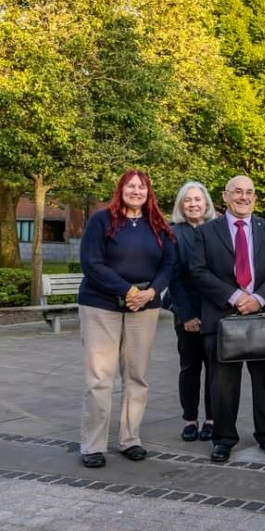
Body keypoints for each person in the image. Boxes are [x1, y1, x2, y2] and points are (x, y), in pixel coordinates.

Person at [77, 170, 176, 468]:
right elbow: (91, 263)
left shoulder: (158, 225)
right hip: (101, 305)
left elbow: (169, 263)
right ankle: (93, 445)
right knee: (100, 377)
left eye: (142, 187)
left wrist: (152, 292)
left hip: (143, 308)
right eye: (131, 186)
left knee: (136, 376)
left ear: (149, 193)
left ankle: (130, 439)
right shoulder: (101, 220)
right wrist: (128, 289)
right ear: (121, 190)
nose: (136, 191)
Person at [189, 175, 265, 464]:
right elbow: (197, 270)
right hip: (222, 317)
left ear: (255, 198)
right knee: (222, 384)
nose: (243, 197)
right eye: (237, 192)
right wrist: (234, 296)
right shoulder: (207, 232)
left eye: (249, 193)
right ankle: (223, 439)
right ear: (225, 196)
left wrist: (258, 298)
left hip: (262, 316)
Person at [168, 181, 217, 444]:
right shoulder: (174, 233)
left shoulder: (217, 230)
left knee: (215, 369)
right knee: (189, 368)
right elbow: (173, 278)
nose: (193, 204)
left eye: (198, 199)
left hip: (215, 311)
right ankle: (190, 420)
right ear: (181, 205)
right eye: (188, 200)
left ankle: (212, 419)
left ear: (207, 203)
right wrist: (186, 315)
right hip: (186, 311)